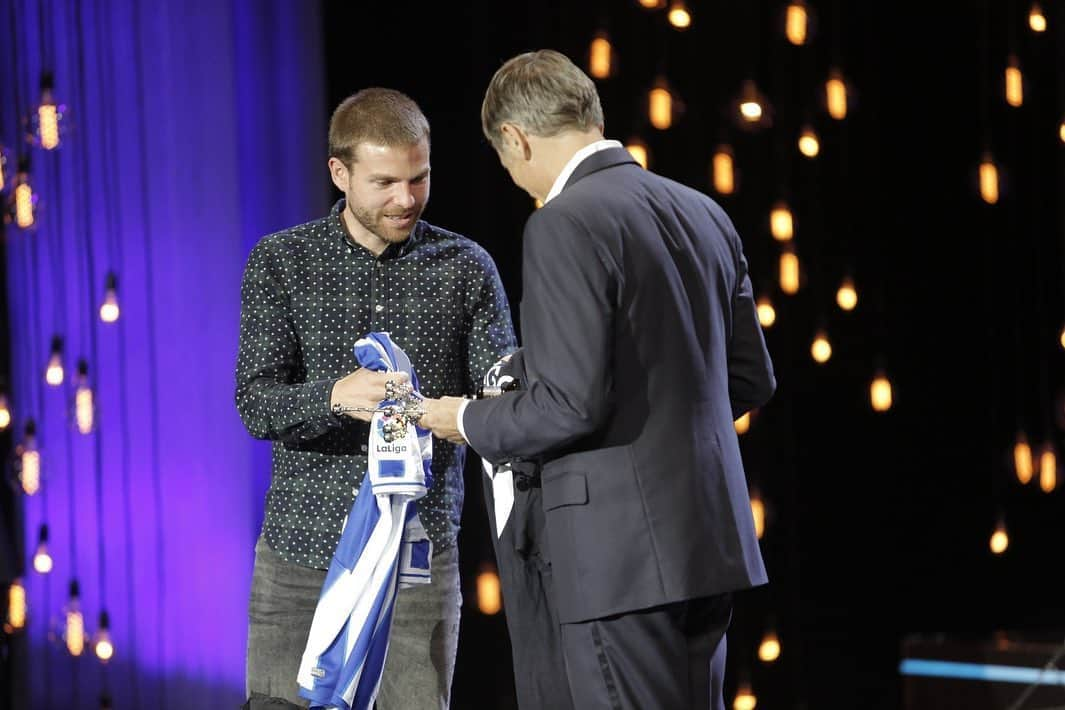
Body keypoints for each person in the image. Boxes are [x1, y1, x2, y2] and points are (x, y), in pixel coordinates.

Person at [419, 50, 776, 710]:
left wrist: (462, 418)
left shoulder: (563, 222)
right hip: (709, 544)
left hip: (617, 561)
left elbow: (567, 404)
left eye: (504, 161)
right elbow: (750, 380)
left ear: (515, 139)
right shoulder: (702, 212)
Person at [235, 87, 516, 710]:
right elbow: (256, 403)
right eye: (385, 181)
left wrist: (456, 414)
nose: (406, 199)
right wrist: (334, 396)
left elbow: (504, 403)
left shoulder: (466, 267)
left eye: (419, 179)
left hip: (418, 557)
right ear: (339, 172)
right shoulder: (282, 262)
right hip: (300, 554)